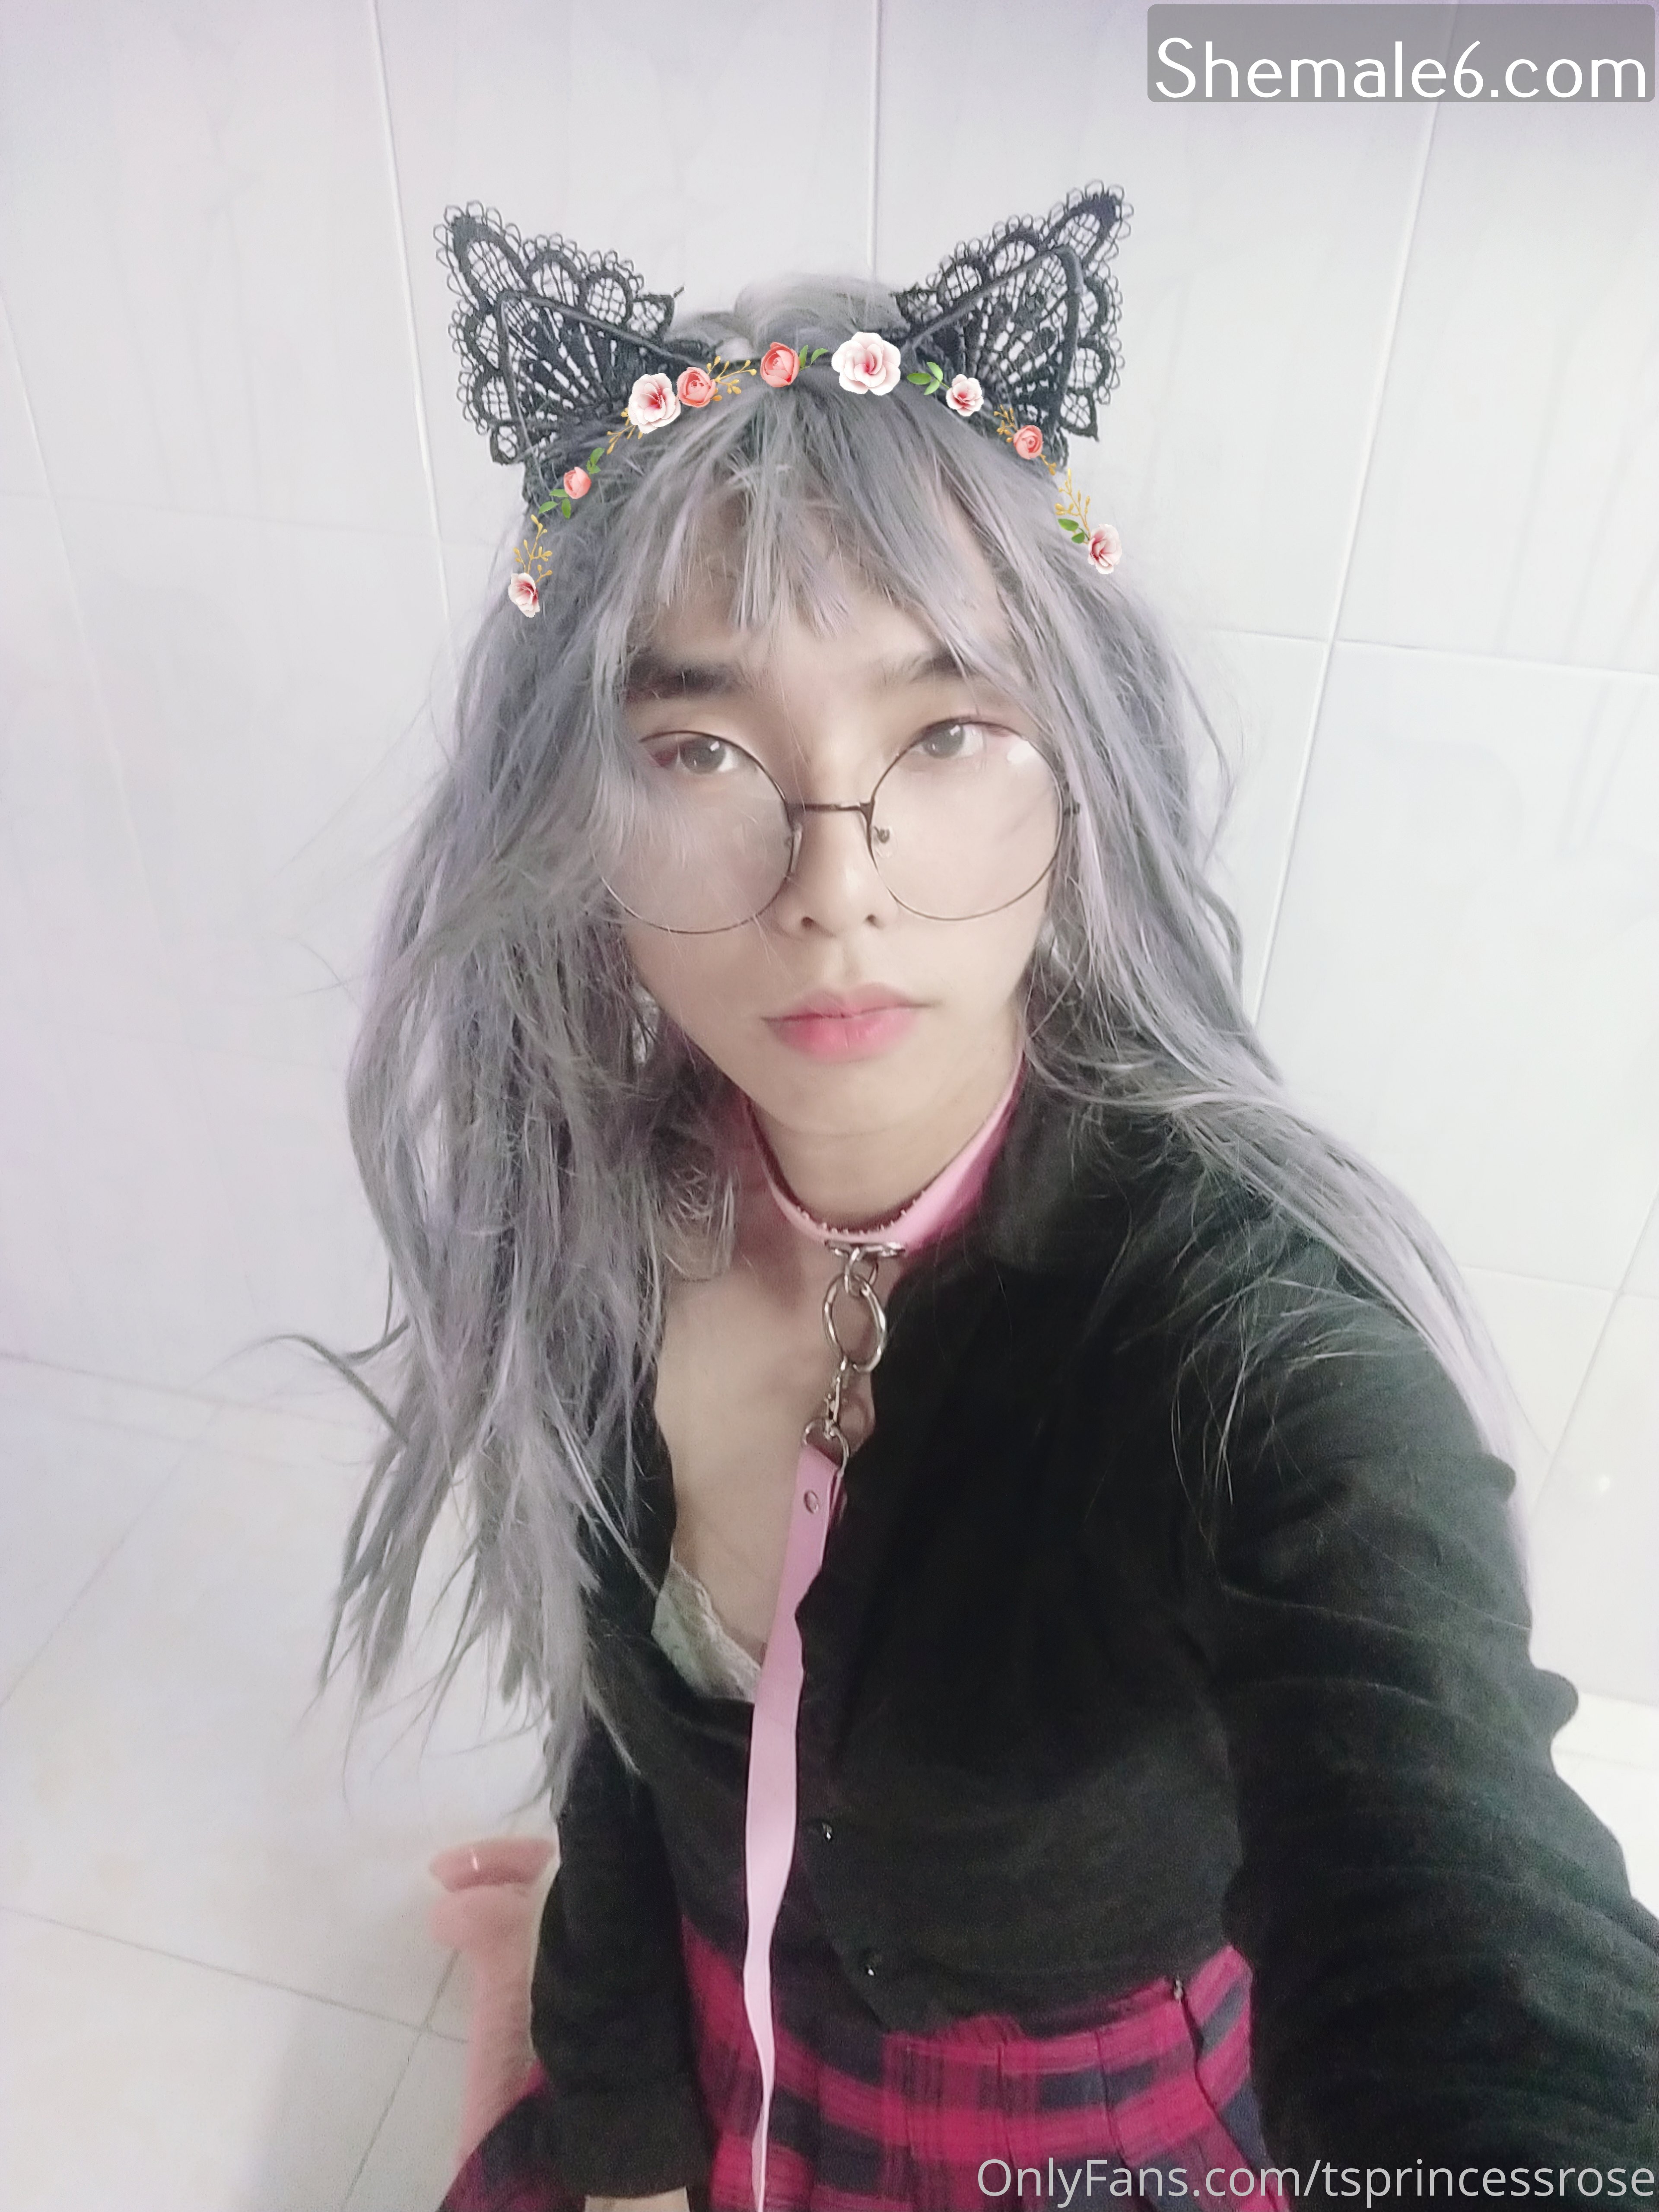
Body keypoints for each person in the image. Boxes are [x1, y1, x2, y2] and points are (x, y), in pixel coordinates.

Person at [325, 194, 1659, 2212]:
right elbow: (627, 1749)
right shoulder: (606, 1205)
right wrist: (629, 2154)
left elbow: (1476, 1941)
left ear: (1082, 775)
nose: (833, 884)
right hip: (708, 1998)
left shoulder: (1251, 1359)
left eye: (946, 730)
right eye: (698, 744)